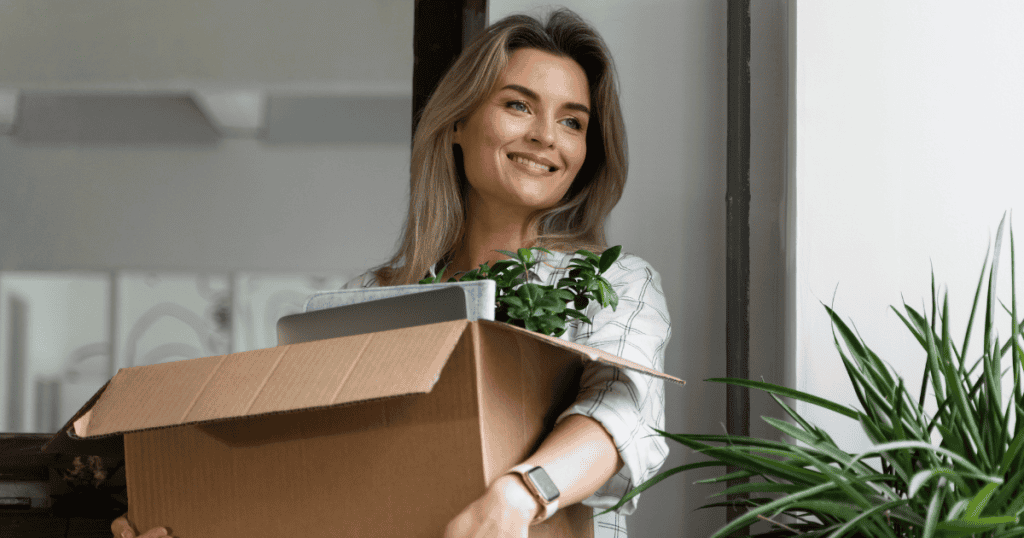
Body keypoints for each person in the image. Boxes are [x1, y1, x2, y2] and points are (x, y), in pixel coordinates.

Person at [113, 7, 670, 538]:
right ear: (458, 122)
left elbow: (619, 412)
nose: (546, 136)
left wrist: (519, 495)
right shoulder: (376, 300)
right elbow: (314, 474)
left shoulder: (615, 285)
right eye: (519, 106)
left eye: (572, 121)